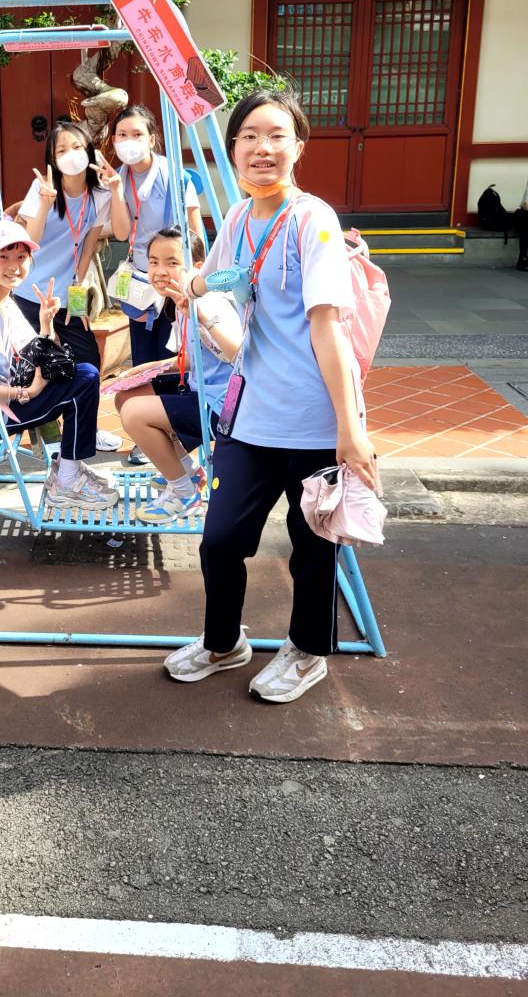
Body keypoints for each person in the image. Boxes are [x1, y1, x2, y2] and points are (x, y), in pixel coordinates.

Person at [164, 89, 378, 704]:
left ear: (298, 147)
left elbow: (327, 327)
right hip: (251, 415)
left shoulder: (314, 221)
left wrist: (350, 430)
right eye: (250, 136)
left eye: (277, 135)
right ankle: (223, 642)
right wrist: (191, 285)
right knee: (220, 540)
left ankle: (308, 652)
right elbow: (224, 275)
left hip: (314, 420)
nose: (263, 148)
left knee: (313, 546)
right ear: (233, 148)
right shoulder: (239, 218)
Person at [0, 218, 119, 512]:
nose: (14, 266)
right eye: (3, 257)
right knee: (84, 381)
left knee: (84, 374)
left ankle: (68, 468)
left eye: (21, 257)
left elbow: (36, 352)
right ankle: (67, 479)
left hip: (7, 400)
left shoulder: (5, 302)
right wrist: (25, 392)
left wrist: (46, 323)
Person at [114, 227, 242, 524]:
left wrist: (202, 318)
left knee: (134, 414)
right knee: (126, 396)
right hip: (201, 390)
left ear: (198, 268)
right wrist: (144, 369)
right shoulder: (179, 301)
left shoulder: (208, 302)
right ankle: (187, 472)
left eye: (172, 263)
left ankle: (184, 494)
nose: (160, 271)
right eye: (154, 262)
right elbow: (191, 359)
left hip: (226, 406)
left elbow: (237, 355)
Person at [101, 104, 204, 464]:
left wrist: (194, 275)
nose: (128, 141)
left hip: (175, 279)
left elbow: (194, 229)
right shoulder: (117, 177)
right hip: (141, 283)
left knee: (173, 357)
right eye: (122, 135)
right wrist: (116, 191)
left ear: (152, 138)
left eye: (137, 134)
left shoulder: (175, 175)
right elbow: (121, 232)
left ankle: (174, 433)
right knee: (144, 357)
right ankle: (147, 438)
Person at [13, 119, 121, 454]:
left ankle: (87, 428)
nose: (70, 154)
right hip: (28, 293)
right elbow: (29, 242)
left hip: (64, 295)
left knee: (87, 358)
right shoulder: (42, 188)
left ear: (88, 150)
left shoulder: (99, 194)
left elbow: (88, 248)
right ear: (52, 157)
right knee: (38, 363)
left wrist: (77, 302)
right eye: (61, 150)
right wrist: (45, 204)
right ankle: (47, 432)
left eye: (76, 147)